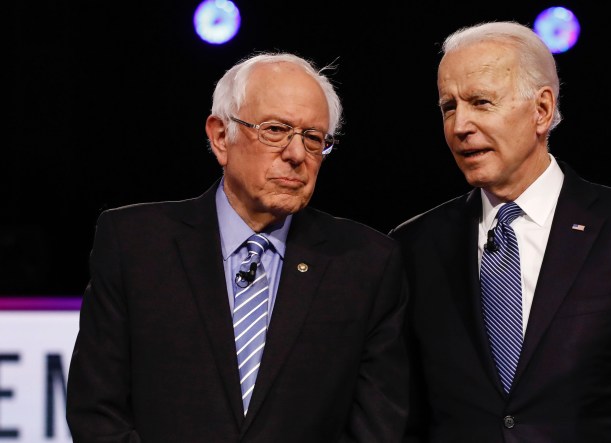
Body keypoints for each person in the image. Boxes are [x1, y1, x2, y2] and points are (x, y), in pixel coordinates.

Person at [390, 21, 611, 442]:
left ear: (541, 110)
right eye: (449, 107)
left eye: (481, 102)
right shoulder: (414, 247)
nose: (460, 125)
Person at [66, 52, 409, 442]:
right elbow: (96, 412)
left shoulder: (366, 263)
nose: (297, 154)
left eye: (313, 139)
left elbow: (377, 427)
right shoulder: (135, 244)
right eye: (275, 130)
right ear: (219, 136)